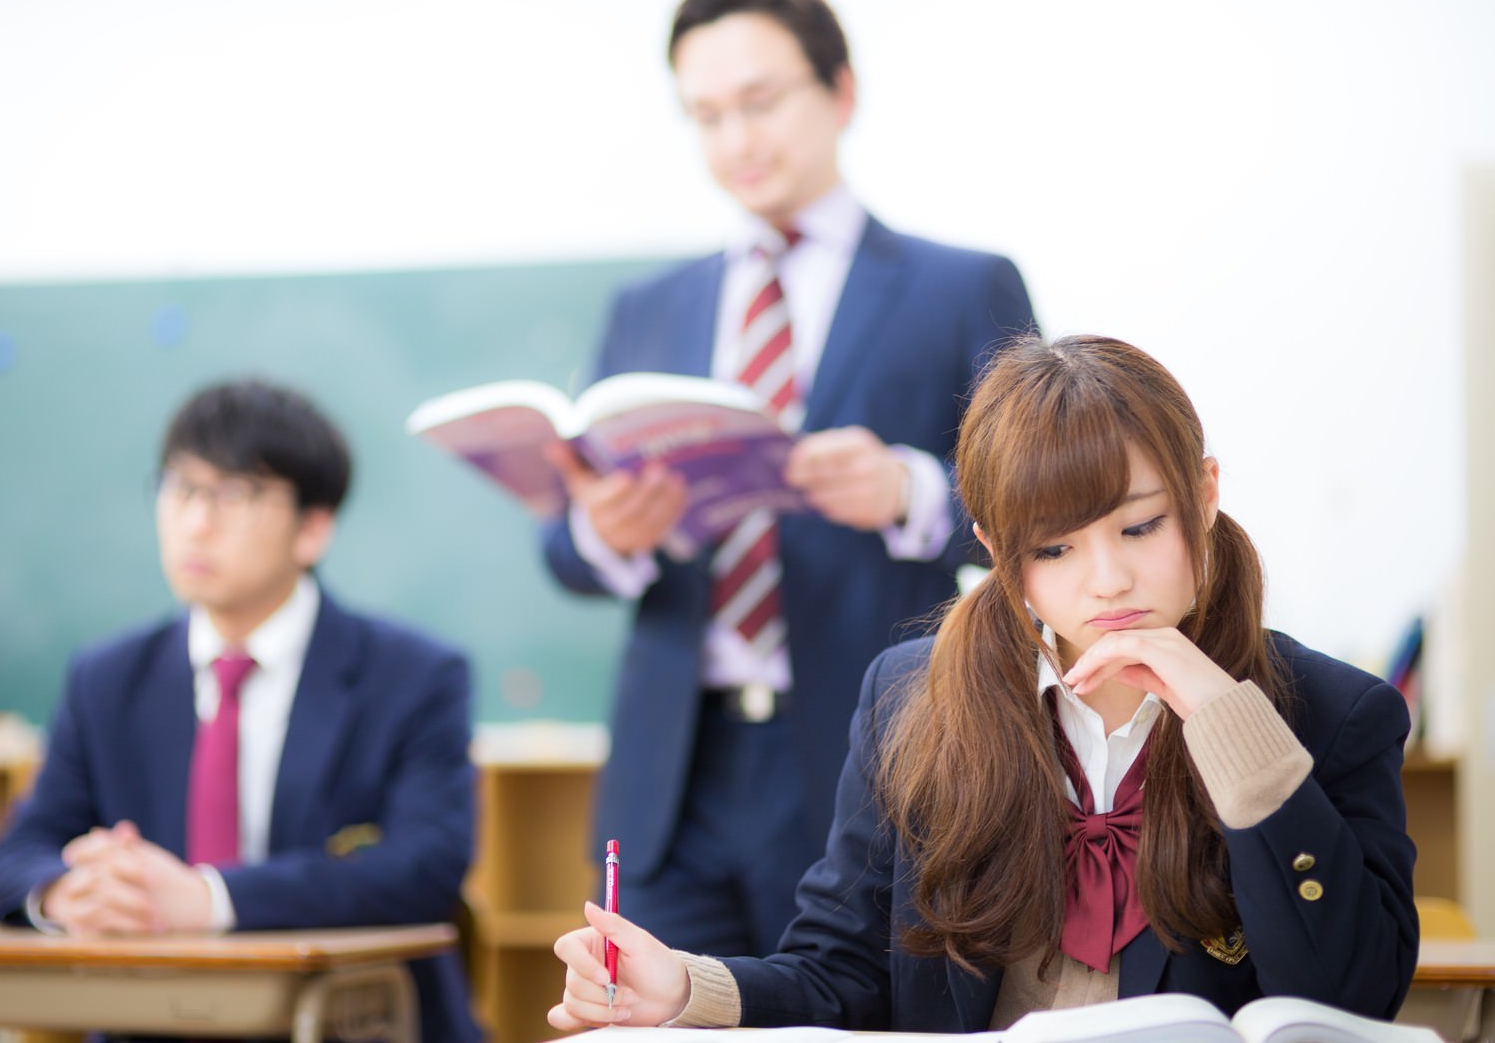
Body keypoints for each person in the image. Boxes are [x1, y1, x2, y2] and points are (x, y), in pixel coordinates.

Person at [548, 335, 1419, 1031]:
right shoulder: (915, 701)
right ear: (998, 553)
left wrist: (1233, 729)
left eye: (1142, 526)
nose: (1108, 579)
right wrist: (683, 989)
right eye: (1054, 549)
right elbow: (842, 975)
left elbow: (1350, 1001)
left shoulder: (1334, 712)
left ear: (1206, 493)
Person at [542, 0, 1036, 958]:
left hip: (876, 747)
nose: (735, 139)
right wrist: (609, 530)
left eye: (760, 101)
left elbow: (1039, 503)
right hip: (672, 775)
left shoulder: (959, 285)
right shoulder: (647, 308)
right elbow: (563, 544)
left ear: (840, 91)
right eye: (706, 115)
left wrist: (909, 489)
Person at [0, 379, 481, 1043]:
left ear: (313, 527)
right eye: (180, 489)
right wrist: (66, 893)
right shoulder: (107, 678)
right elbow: (17, 853)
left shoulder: (414, 677)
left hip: (348, 1023)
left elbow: (424, 867)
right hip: (153, 1027)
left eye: (235, 496)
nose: (196, 522)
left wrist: (208, 899)